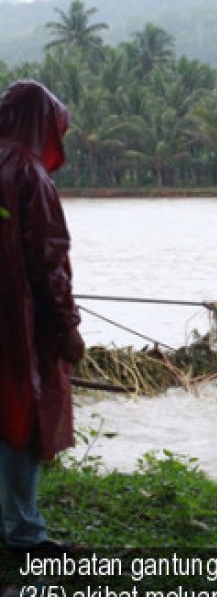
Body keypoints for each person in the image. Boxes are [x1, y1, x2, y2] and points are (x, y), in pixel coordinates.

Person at [0, 80, 85, 551]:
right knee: (22, 413)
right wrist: (66, 325)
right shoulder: (29, 174)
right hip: (18, 321)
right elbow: (49, 260)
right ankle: (25, 533)